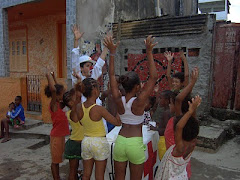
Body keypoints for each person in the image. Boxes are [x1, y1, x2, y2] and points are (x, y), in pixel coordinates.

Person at [104, 35, 158, 180]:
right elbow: (153, 77)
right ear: (136, 86)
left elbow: (111, 75)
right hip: (135, 143)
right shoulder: (139, 102)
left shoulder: (118, 99)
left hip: (120, 142)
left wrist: (112, 53)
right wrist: (148, 52)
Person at [71, 78, 121, 180]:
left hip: (86, 141)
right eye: (99, 88)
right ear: (94, 90)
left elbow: (78, 121)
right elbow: (117, 122)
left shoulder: (80, 107)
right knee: (99, 177)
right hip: (99, 142)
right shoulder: (98, 109)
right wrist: (119, 103)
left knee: (86, 175)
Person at [155, 95, 201, 179]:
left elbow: (179, 127)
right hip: (182, 176)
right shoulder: (192, 145)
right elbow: (193, 124)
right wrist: (193, 110)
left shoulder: (179, 148)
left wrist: (190, 111)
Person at [164, 67, 199, 179]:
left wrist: (192, 82)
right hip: (180, 165)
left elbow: (178, 99)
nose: (170, 105)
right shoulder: (190, 121)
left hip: (172, 163)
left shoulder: (179, 120)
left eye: (171, 103)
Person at [44, 72, 70, 180]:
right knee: (55, 161)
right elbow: (54, 90)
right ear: (57, 94)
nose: (64, 95)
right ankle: (56, 178)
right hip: (56, 137)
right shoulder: (54, 104)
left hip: (61, 136)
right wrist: (48, 76)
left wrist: (55, 78)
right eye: (62, 93)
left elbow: (58, 89)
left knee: (59, 159)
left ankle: (57, 177)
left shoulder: (61, 103)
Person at [62, 88, 83, 180]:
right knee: (73, 170)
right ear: (70, 103)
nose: (78, 98)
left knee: (74, 170)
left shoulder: (72, 112)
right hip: (75, 144)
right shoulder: (72, 114)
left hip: (76, 142)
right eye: (75, 98)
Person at [150, 90, 176, 160]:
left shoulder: (167, 113)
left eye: (161, 98)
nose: (159, 100)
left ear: (167, 101)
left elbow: (166, 130)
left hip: (164, 142)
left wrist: (155, 129)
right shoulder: (167, 112)